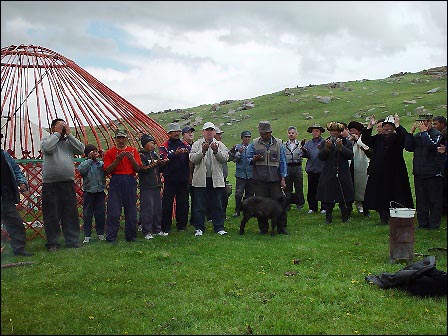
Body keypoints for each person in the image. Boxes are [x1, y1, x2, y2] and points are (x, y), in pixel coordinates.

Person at [41, 118, 85, 252]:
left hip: (67, 182)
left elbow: (81, 149)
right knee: (51, 214)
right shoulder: (47, 140)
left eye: (64, 126)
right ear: (53, 128)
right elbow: (47, 149)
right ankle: (53, 242)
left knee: (70, 213)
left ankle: (72, 240)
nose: (63, 128)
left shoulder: (68, 142)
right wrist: (57, 134)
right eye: (60, 126)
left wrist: (70, 134)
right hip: (50, 183)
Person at [362, 114, 414, 224]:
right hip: (379, 172)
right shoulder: (378, 138)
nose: (387, 130)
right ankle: (383, 217)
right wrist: (369, 126)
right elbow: (365, 140)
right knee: (380, 195)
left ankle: (395, 216)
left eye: (390, 127)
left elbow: (406, 138)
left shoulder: (398, 138)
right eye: (385, 127)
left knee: (396, 194)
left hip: (395, 172)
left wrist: (398, 126)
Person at [246, 121, 288, 234]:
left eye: (266, 133)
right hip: (259, 181)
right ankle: (263, 229)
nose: (264, 136)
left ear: (270, 132)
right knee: (261, 206)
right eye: (262, 133)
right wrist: (253, 159)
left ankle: (281, 227)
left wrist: (283, 178)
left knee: (279, 204)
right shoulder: (254, 143)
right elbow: (248, 158)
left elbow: (283, 161)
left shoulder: (279, 143)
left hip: (275, 180)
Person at [405, 113, 444, 230]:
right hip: (419, 172)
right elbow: (408, 147)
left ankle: (434, 224)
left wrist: (424, 133)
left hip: (433, 173)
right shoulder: (418, 136)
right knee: (421, 200)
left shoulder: (437, 134)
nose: (423, 124)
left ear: (430, 122)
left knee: (434, 200)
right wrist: (410, 133)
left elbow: (431, 146)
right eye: (420, 122)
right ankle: (422, 223)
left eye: (425, 121)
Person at [189, 121, 229, 236]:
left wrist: (216, 151)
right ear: (203, 132)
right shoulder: (197, 144)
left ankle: (219, 227)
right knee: (199, 205)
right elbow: (192, 159)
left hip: (215, 179)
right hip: (201, 179)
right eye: (207, 130)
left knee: (217, 204)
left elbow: (225, 158)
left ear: (214, 132)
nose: (209, 133)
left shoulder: (220, 144)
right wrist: (202, 151)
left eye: (211, 130)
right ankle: (199, 228)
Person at [103, 129, 142, 242]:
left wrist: (131, 159)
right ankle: (111, 237)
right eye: (118, 138)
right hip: (116, 180)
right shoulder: (110, 153)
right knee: (113, 211)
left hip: (130, 180)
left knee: (131, 211)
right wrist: (117, 160)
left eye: (123, 138)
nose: (120, 140)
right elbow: (107, 170)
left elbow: (138, 168)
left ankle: (131, 237)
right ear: (115, 139)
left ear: (127, 139)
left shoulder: (133, 151)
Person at [316, 122, 355, 224]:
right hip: (329, 172)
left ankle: (345, 217)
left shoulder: (346, 142)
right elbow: (320, 157)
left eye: (336, 131)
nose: (333, 133)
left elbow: (350, 155)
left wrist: (341, 148)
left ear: (340, 132)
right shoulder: (326, 142)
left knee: (344, 196)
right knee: (328, 196)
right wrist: (327, 149)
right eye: (332, 131)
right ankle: (328, 218)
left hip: (343, 172)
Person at [1, 135, 33, 256]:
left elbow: (16, 169)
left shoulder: (5, 155)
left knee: (16, 223)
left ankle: (19, 249)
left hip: (6, 196)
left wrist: (22, 182)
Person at [158, 123, 191, 234]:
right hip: (170, 179)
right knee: (167, 203)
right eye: (174, 131)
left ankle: (181, 226)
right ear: (169, 133)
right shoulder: (164, 146)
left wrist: (187, 154)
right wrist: (174, 155)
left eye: (178, 131)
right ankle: (165, 226)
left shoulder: (185, 144)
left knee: (183, 203)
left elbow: (192, 156)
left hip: (183, 178)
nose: (177, 133)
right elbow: (162, 159)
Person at [77, 144, 106, 243]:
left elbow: (107, 168)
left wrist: (104, 156)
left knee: (100, 213)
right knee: (87, 214)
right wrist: (90, 159)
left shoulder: (100, 163)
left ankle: (100, 233)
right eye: (92, 152)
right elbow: (81, 170)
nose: (95, 154)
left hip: (100, 191)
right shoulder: (85, 163)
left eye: (96, 151)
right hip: (89, 192)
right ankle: (87, 235)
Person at [138, 134, 164, 239]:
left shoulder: (154, 155)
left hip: (156, 185)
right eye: (151, 143)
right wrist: (155, 164)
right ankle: (147, 231)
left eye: (153, 143)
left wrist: (163, 164)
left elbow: (159, 170)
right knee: (148, 210)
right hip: (147, 186)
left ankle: (157, 229)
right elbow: (142, 169)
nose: (153, 145)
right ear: (145, 144)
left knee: (157, 209)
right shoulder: (141, 155)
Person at [347, 121, 372, 217]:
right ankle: (350, 208)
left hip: (362, 165)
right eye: (351, 131)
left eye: (354, 131)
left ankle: (365, 209)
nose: (352, 133)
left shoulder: (363, 139)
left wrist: (357, 139)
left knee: (362, 187)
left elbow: (365, 147)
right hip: (350, 166)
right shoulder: (348, 140)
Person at [302, 124, 326, 214]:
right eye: (313, 131)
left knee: (323, 189)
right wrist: (304, 150)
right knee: (312, 189)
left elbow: (326, 154)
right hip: (311, 169)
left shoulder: (324, 142)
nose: (315, 133)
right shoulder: (308, 143)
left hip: (322, 169)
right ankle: (312, 207)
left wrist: (322, 149)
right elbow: (305, 156)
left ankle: (324, 207)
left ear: (320, 132)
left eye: (317, 131)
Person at [230, 130, 254, 217]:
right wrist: (239, 152)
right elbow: (235, 159)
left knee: (250, 193)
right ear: (242, 138)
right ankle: (237, 210)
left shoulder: (252, 147)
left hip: (251, 174)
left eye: (248, 137)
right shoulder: (237, 147)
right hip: (240, 174)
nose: (247, 139)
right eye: (245, 137)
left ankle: (248, 210)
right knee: (238, 193)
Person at [284, 126, 305, 210]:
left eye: (293, 133)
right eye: (289, 133)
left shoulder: (300, 144)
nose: (291, 135)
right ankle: (287, 204)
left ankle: (300, 204)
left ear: (296, 134)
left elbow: (304, 153)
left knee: (298, 186)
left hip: (297, 166)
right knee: (288, 187)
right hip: (288, 167)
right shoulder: (284, 144)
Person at [212, 127, 231, 218]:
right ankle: (213, 215)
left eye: (221, 134)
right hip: (215, 176)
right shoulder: (212, 144)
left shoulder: (221, 145)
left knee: (223, 197)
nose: (220, 136)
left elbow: (227, 157)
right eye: (218, 134)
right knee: (218, 197)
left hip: (222, 175)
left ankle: (221, 214)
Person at [432, 115, 447, 216]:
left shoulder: (443, 134)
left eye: (436, 124)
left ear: (442, 124)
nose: (434, 126)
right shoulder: (439, 134)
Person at [181, 126, 196, 226]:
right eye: (188, 132)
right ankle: (183, 221)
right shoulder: (181, 146)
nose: (190, 134)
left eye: (191, 132)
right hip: (184, 175)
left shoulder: (195, 145)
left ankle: (194, 220)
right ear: (183, 135)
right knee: (184, 200)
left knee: (196, 198)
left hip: (196, 175)